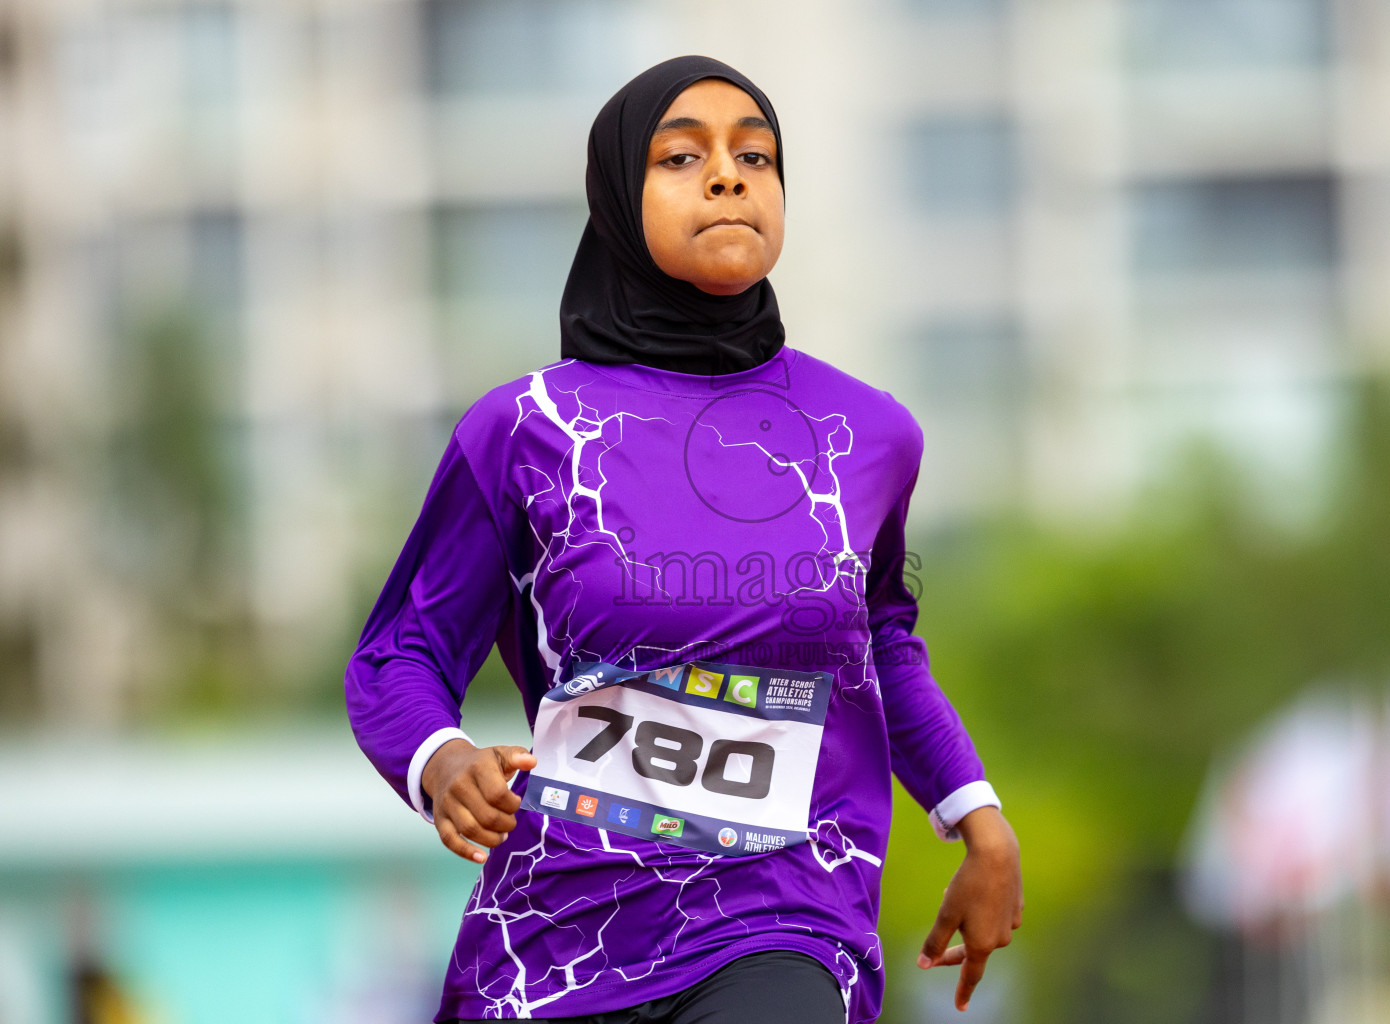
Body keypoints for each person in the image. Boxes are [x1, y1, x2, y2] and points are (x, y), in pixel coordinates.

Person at [347, 55, 1023, 1024]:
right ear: (619, 196)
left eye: (757, 153)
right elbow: (400, 650)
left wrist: (978, 819)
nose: (728, 174)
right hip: (562, 936)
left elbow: (881, 646)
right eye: (681, 156)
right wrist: (442, 759)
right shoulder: (523, 429)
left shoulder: (870, 436)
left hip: (787, 910)